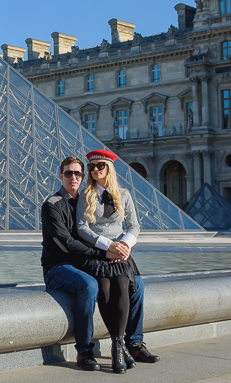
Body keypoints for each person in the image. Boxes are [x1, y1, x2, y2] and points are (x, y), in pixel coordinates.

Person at [41, 155, 159, 373]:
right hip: (60, 264)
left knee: (139, 285)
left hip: (93, 258)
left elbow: (133, 226)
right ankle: (85, 350)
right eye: (69, 173)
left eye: (78, 173)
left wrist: (122, 246)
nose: (74, 177)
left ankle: (134, 344)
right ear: (61, 176)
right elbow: (67, 242)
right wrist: (105, 251)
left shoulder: (89, 197)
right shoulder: (53, 205)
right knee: (90, 286)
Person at [76, 149, 160, 373]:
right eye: (91, 167)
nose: (94, 170)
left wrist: (124, 245)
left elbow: (134, 226)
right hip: (99, 253)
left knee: (125, 285)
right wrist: (107, 246)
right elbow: (82, 228)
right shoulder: (85, 196)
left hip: (121, 253)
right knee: (104, 288)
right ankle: (119, 344)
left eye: (99, 166)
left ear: (109, 168)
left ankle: (122, 345)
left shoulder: (124, 194)